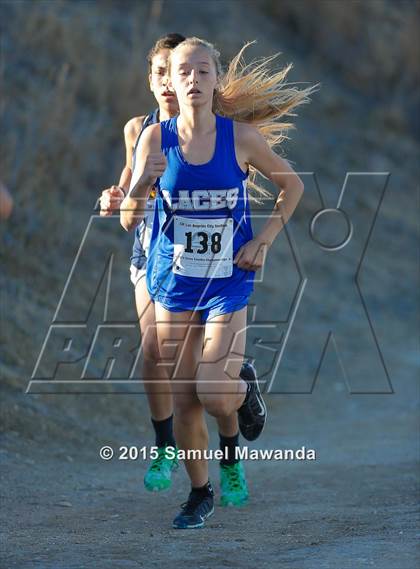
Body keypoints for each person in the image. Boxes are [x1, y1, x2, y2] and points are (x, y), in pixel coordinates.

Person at [121, 37, 317, 528]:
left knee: (213, 392)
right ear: (171, 80)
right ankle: (200, 492)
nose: (192, 80)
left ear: (216, 81)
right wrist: (144, 181)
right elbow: (129, 218)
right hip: (173, 281)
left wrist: (265, 240)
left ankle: (236, 415)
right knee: (185, 395)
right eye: (183, 72)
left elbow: (292, 185)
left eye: (203, 71)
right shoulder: (152, 138)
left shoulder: (241, 138)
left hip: (229, 279)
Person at [100, 34, 252, 507]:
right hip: (154, 257)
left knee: (211, 384)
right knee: (157, 357)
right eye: (162, 74)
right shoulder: (141, 130)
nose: (171, 83)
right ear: (152, 81)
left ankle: (228, 432)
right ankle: (171, 449)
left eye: (180, 72)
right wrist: (118, 195)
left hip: (214, 267)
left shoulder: (217, 130)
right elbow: (128, 189)